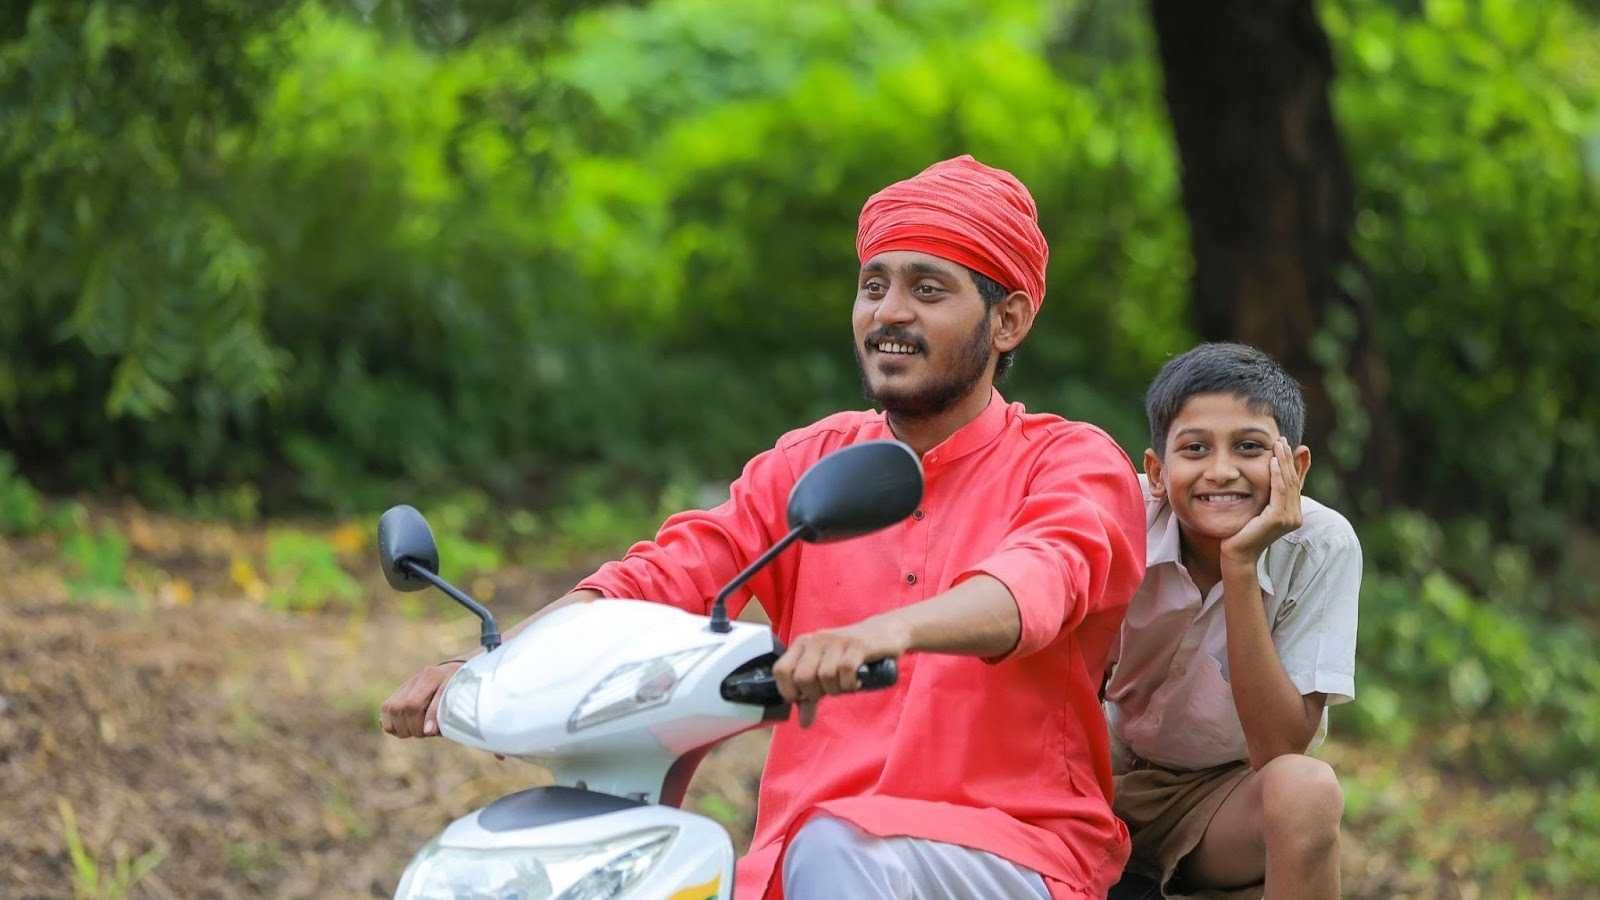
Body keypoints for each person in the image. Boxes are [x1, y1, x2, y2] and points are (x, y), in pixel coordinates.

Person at [381, 155, 1146, 899]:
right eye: (873, 285)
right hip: (805, 857)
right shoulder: (810, 461)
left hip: (1009, 850)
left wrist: (888, 632)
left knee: (839, 846)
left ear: (1007, 319)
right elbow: (665, 575)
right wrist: (493, 667)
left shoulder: (1070, 463)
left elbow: (1034, 584)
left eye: (928, 289)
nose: (889, 312)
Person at [1103, 343, 1361, 900]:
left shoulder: (1321, 545)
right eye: (1194, 449)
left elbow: (1277, 751)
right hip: (1098, 781)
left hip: (1220, 800)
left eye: (1249, 448)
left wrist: (1240, 565)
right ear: (1155, 470)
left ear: (1295, 466)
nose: (1221, 472)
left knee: (1308, 790)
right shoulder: (1117, 519)